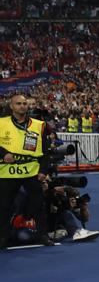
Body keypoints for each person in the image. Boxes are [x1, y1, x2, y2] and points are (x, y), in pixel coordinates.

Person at [0, 94, 53, 249]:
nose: (22, 106)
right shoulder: (1, 123)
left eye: (24, 103)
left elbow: (45, 151)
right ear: (11, 106)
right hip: (7, 172)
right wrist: (3, 154)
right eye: (18, 103)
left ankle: (42, 235)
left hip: (31, 172)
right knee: (4, 207)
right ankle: (3, 238)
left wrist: (43, 170)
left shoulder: (39, 125)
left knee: (39, 205)